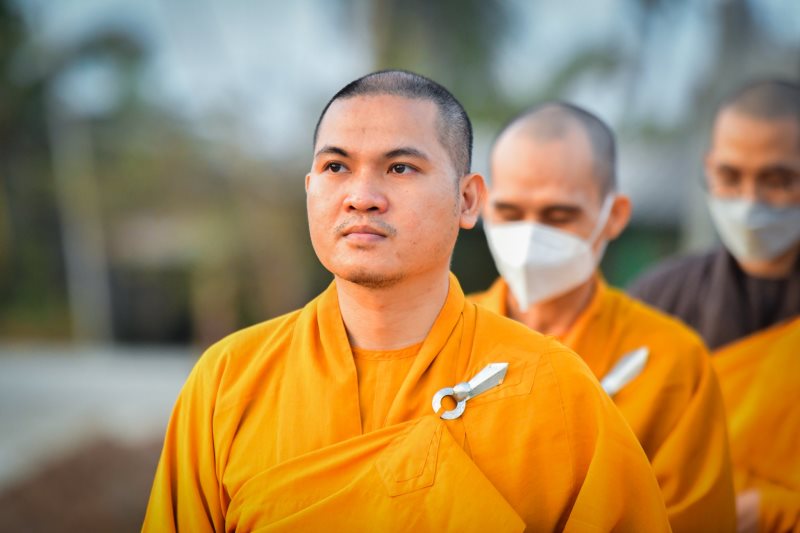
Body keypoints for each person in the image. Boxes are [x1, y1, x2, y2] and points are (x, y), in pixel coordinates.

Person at [142, 71, 670, 532]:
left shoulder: (555, 389)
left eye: (399, 168)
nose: (361, 196)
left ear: (468, 200)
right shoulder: (228, 381)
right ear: (309, 188)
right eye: (336, 167)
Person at [470, 102, 735, 532]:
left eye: (558, 216)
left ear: (614, 216)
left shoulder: (671, 361)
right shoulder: (443, 335)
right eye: (510, 213)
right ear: (481, 206)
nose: (530, 235)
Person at [629, 79, 800, 533]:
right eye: (730, 176)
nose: (750, 201)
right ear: (708, 169)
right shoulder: (658, 299)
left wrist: (774, 511)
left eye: (778, 180)